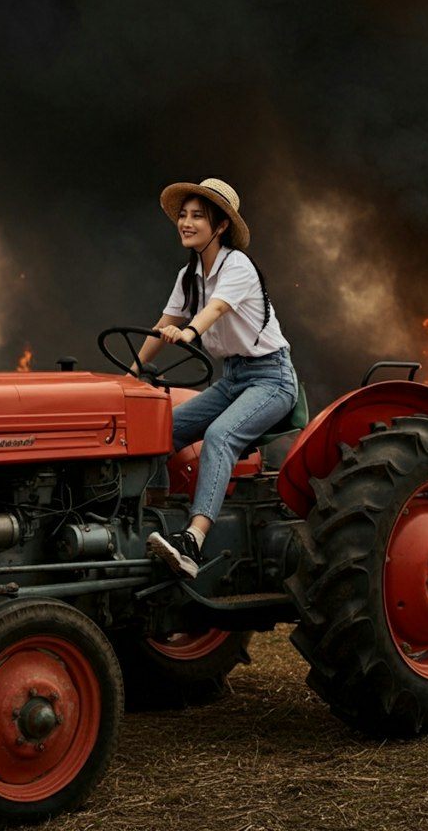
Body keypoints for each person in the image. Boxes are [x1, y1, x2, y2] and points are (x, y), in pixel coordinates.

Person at [139, 177, 298, 578]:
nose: (186, 223)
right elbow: (163, 324)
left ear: (221, 226)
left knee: (220, 436)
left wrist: (189, 333)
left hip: (270, 379)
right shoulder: (188, 275)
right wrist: (131, 372)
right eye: (183, 215)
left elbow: (216, 310)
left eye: (197, 217)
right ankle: (153, 516)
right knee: (160, 431)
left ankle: (193, 541)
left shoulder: (238, 265)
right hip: (233, 378)